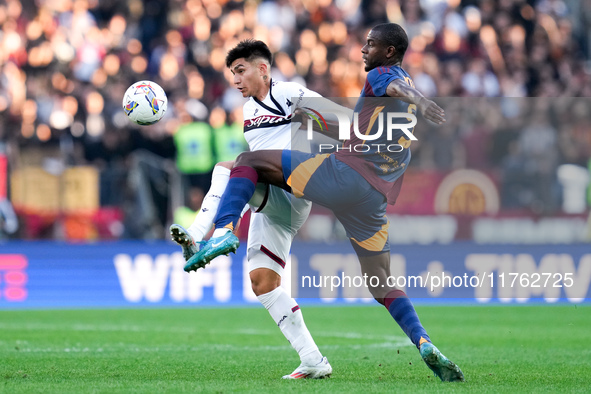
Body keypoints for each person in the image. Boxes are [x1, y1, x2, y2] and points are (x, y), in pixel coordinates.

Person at [186, 24, 465, 382]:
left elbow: (389, 89)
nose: (363, 50)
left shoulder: (383, 76)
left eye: (371, 44)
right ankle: (423, 341)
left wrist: (422, 101)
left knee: (245, 163)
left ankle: (225, 229)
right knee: (381, 283)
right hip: (373, 199)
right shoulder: (397, 94)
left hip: (344, 175)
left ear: (390, 52)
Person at [170, 39, 349, 379]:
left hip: (296, 189)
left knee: (232, 164)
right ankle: (313, 360)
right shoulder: (250, 110)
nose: (235, 80)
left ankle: (209, 232)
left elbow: (342, 120)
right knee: (263, 282)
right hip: (272, 205)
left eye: (241, 71)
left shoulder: (290, 93)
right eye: (231, 74)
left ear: (263, 68)